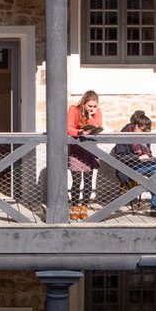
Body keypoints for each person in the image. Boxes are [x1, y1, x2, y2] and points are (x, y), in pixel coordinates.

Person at [111, 110, 156, 217]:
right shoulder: (124, 134)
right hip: (127, 169)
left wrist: (150, 158)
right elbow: (120, 157)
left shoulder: (144, 136)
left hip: (142, 166)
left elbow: (148, 153)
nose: (145, 134)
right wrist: (138, 157)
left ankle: (155, 209)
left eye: (147, 132)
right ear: (136, 126)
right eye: (143, 131)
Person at [67, 90, 102, 221]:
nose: (93, 108)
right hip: (76, 148)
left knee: (88, 180)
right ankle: (75, 207)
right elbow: (69, 128)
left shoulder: (96, 112)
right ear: (83, 103)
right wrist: (79, 131)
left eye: (95, 106)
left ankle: (84, 207)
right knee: (76, 180)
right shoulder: (74, 109)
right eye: (90, 106)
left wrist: (91, 116)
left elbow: (98, 126)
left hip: (90, 149)